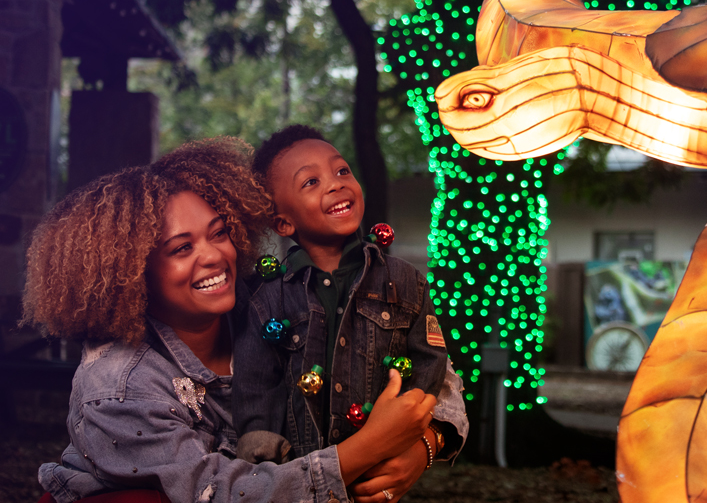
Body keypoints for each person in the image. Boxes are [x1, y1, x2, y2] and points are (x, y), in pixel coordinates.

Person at [22, 138, 446, 503]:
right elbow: (221, 493)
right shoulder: (116, 390)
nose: (214, 256)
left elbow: (426, 364)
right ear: (133, 273)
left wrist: (425, 445)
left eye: (219, 232)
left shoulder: (269, 298)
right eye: (181, 248)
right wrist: (367, 450)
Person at [232, 125, 465, 493]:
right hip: (299, 480)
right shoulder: (268, 297)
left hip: (376, 478)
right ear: (283, 222)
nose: (336, 183)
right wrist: (263, 452)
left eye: (342, 171)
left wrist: (408, 433)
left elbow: (429, 360)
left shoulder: (405, 282)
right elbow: (256, 382)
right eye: (310, 182)